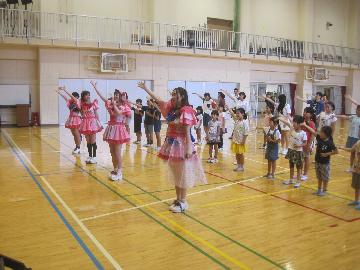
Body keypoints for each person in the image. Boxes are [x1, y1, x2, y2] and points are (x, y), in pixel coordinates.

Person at [138, 82, 206, 213]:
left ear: (182, 96)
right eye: (173, 94)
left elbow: (187, 132)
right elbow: (159, 100)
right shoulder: (172, 108)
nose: (173, 96)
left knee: (182, 174)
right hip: (172, 143)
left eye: (176, 94)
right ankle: (178, 199)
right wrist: (146, 88)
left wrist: (188, 148)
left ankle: (183, 201)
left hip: (182, 144)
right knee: (176, 174)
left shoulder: (186, 110)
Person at [91, 80, 131, 181]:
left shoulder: (125, 107)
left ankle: (120, 172)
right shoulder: (112, 103)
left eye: (118, 94)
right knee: (112, 151)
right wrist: (95, 87)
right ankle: (115, 169)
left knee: (117, 152)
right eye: (115, 94)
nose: (116, 96)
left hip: (119, 129)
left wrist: (113, 104)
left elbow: (118, 114)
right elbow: (102, 97)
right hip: (111, 128)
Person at [63, 85, 103, 164]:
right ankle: (90, 156)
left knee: (93, 140)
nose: (88, 96)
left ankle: (94, 157)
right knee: (88, 140)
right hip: (85, 122)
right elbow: (73, 98)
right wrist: (65, 90)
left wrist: (99, 122)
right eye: (86, 95)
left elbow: (96, 113)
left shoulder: (93, 103)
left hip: (93, 122)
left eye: (89, 94)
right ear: (83, 96)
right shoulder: (80, 104)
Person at [303, 124, 337, 196]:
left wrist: (327, 154)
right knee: (319, 177)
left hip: (325, 163)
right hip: (318, 161)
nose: (320, 133)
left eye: (322, 132)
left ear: (326, 134)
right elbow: (313, 131)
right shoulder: (319, 138)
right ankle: (319, 189)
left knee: (325, 177)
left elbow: (336, 151)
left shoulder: (330, 142)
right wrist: (305, 125)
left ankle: (324, 190)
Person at [280, 115, 307, 188]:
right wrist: (280, 118)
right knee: (291, 165)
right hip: (291, 150)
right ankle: (291, 179)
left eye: (295, 123)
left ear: (299, 124)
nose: (293, 124)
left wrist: (299, 145)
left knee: (299, 167)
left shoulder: (303, 133)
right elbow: (288, 123)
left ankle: (298, 181)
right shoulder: (292, 129)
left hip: (298, 152)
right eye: (293, 122)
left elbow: (305, 142)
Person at [56, 87, 82, 154]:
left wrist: (65, 90)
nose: (73, 98)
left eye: (74, 96)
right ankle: (77, 146)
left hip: (76, 119)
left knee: (76, 134)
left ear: (77, 97)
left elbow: (71, 97)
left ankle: (78, 147)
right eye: (72, 96)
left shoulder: (78, 102)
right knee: (74, 134)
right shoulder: (70, 102)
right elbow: (65, 97)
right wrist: (58, 92)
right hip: (71, 118)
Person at [226, 105, 249, 172]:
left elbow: (246, 133)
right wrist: (228, 108)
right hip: (236, 140)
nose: (237, 114)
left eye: (238, 113)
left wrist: (243, 141)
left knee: (240, 154)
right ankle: (238, 165)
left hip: (241, 141)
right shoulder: (237, 121)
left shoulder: (245, 123)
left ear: (243, 114)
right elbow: (232, 114)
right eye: (237, 113)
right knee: (237, 153)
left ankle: (241, 166)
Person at [341, 95, 360, 172]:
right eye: (357, 110)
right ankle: (351, 167)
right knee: (352, 153)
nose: (357, 111)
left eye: (359, 110)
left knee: (358, 154)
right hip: (351, 137)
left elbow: (357, 103)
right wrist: (334, 115)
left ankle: (357, 168)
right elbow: (344, 117)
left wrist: (351, 99)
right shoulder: (353, 117)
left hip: (358, 139)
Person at [340, 141, 360, 209]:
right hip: (356, 168)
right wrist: (342, 148)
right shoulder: (358, 142)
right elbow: (352, 150)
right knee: (357, 186)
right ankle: (356, 201)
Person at [301, 107, 316, 181]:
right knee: (301, 158)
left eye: (306, 112)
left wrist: (309, 144)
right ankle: (300, 173)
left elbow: (313, 134)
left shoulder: (311, 123)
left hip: (307, 144)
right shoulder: (302, 121)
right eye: (304, 111)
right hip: (301, 144)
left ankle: (305, 174)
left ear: (310, 115)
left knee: (306, 158)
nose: (304, 113)